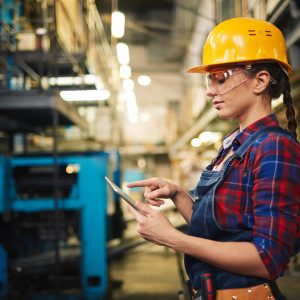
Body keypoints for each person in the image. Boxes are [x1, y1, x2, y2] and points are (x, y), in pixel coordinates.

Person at [127, 17, 300, 300]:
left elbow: (268, 259)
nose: (210, 90)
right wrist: (178, 193)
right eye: (209, 80)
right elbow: (218, 230)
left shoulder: (273, 147)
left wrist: (174, 239)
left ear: (260, 81)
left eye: (220, 78)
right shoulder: (234, 146)